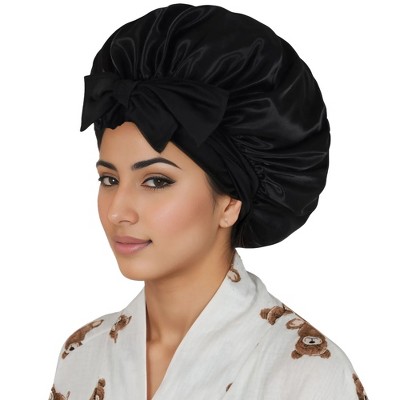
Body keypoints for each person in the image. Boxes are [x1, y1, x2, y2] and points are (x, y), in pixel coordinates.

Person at [49, 4, 367, 400]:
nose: (117, 211)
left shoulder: (305, 375)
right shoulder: (82, 354)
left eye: (156, 181)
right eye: (109, 179)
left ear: (230, 203)